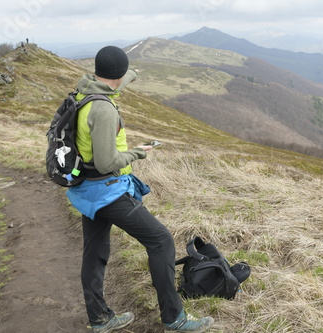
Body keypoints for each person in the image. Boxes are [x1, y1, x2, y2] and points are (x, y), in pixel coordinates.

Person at [65, 46, 214, 333]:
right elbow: (108, 161)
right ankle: (174, 317)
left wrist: (133, 73)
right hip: (106, 190)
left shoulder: (85, 91)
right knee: (160, 240)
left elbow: (116, 79)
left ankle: (99, 318)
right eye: (125, 73)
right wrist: (138, 152)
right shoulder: (104, 109)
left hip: (86, 189)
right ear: (117, 77)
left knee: (94, 252)